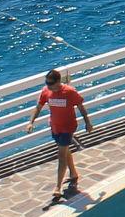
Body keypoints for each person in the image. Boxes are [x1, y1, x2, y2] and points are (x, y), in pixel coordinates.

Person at [29, 67, 92, 204]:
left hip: (68, 127)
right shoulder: (46, 91)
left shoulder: (69, 92)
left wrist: (87, 122)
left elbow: (81, 107)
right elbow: (38, 107)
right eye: (47, 83)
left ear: (58, 82)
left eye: (51, 83)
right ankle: (74, 173)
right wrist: (31, 122)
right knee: (65, 150)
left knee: (61, 156)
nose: (48, 86)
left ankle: (58, 186)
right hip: (55, 127)